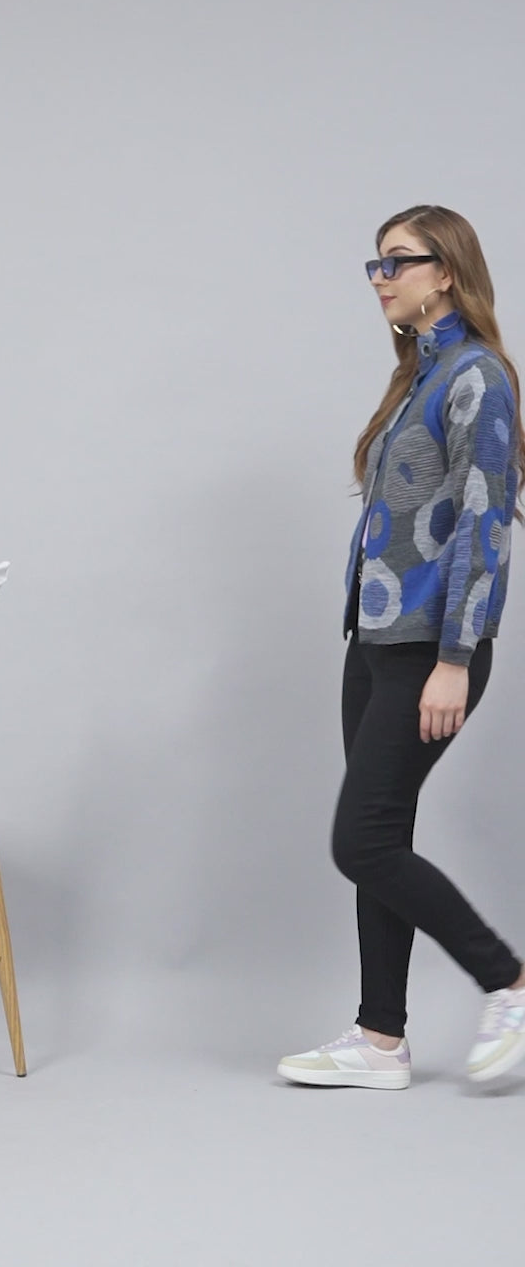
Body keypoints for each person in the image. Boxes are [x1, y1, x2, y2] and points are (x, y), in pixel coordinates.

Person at [278, 205, 525, 1090]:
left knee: (363, 842)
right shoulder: (420, 373)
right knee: (385, 835)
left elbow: (485, 528)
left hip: (431, 650)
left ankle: (509, 982)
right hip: (378, 641)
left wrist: (455, 659)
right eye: (375, 265)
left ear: (445, 271)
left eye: (398, 261)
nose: (380, 278)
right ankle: (380, 1039)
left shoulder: (477, 377)